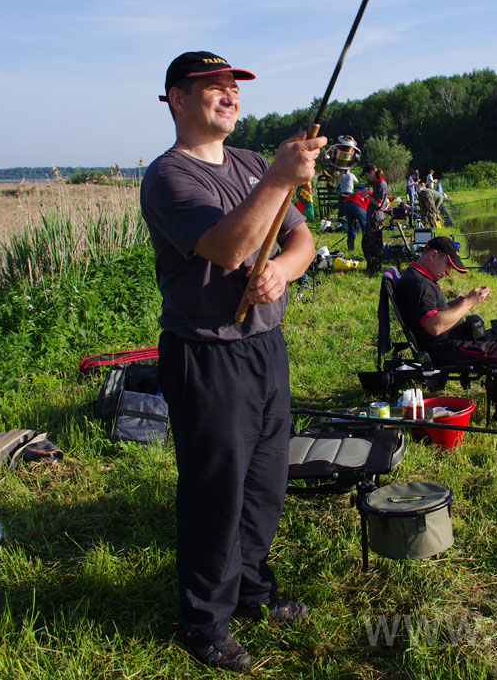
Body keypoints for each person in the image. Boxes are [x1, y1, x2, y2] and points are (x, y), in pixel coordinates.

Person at [140, 51, 324, 673]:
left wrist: (281, 270)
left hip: (265, 347)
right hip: (206, 353)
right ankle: (203, 621)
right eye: (212, 87)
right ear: (176, 99)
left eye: (233, 86)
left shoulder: (249, 164)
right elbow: (224, 248)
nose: (229, 95)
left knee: (264, 481)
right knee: (214, 491)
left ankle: (250, 588)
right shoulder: (169, 177)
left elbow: (302, 238)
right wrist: (280, 177)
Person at [392, 236, 497, 420]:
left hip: (455, 340)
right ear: (433, 255)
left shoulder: (418, 276)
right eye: (448, 266)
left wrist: (461, 301)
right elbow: (435, 325)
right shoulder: (420, 284)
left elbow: (435, 312)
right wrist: (470, 302)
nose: (449, 273)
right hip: (450, 349)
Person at [361, 165, 390, 273]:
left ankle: (375, 268)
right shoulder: (377, 184)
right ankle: (370, 266)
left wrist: (367, 195)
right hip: (371, 217)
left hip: (376, 218)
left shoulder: (381, 184)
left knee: (374, 246)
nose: (367, 178)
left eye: (367, 175)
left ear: (372, 172)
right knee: (367, 244)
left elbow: (378, 203)